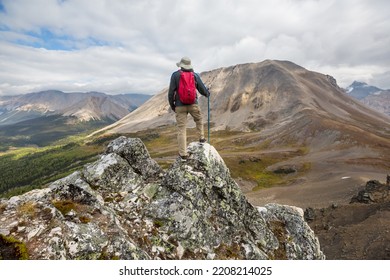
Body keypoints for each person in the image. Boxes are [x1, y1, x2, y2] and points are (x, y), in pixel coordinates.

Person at [168, 56, 210, 161]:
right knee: (199, 120)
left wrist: (173, 105)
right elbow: (202, 89)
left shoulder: (175, 75)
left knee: (181, 129)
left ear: (181, 65)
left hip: (179, 106)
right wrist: (207, 93)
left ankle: (183, 154)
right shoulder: (194, 75)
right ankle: (201, 138)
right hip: (193, 104)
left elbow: (170, 93)